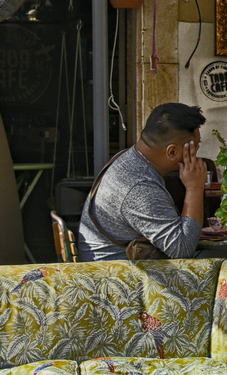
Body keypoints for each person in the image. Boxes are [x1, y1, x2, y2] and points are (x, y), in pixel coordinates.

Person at [78, 103, 208, 262]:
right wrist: (195, 187)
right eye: (195, 145)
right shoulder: (139, 187)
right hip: (116, 279)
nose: (198, 150)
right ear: (172, 151)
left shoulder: (130, 158)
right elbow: (182, 250)